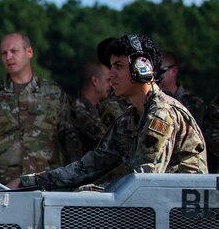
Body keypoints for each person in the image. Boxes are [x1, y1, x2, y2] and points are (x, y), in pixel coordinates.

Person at [18, 35, 206, 190]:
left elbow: (144, 181)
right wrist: (31, 182)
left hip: (182, 220)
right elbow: (90, 166)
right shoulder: (129, 120)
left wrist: (90, 192)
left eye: (118, 66)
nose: (110, 74)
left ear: (142, 69)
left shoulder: (161, 115)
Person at [0, 33, 81, 185]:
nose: (8, 57)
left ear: (29, 52)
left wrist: (75, 181)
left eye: (13, 51)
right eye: (4, 53)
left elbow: (70, 139)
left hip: (47, 183)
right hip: (3, 186)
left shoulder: (53, 93)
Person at [158, 51, 207, 128]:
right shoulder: (150, 101)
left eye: (159, 72)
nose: (155, 76)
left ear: (173, 71)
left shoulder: (194, 104)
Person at [73, 61, 110, 153]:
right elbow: (104, 141)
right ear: (95, 81)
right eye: (107, 80)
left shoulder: (101, 110)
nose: (111, 85)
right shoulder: (78, 111)